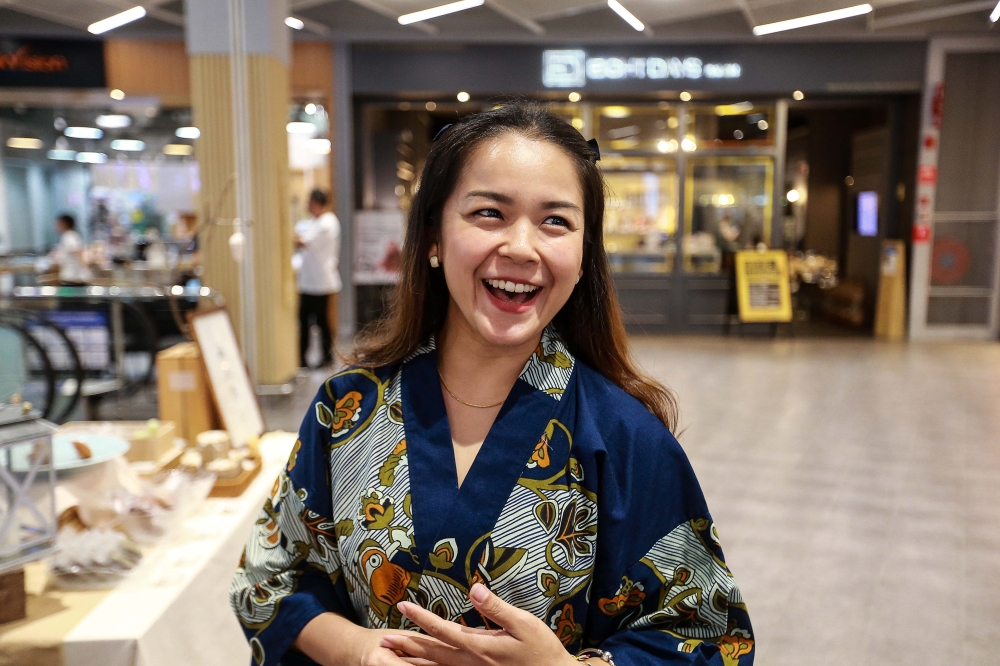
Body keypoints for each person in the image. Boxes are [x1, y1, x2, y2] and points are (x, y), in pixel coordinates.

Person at [231, 104, 754, 666]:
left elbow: (709, 638)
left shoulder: (624, 438)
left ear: (583, 259)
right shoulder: (350, 408)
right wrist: (361, 650)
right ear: (433, 237)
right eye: (488, 213)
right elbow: (270, 576)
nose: (522, 248)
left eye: (555, 221)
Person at [295, 189, 342, 369]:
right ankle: (304, 359)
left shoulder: (327, 223)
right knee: (305, 322)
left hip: (320, 282)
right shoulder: (316, 222)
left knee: (322, 323)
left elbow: (304, 242)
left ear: (317, 203)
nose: (307, 206)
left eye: (310, 202)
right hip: (309, 281)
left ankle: (327, 358)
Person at [49, 214, 91, 285]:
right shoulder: (69, 236)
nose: (56, 227)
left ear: (64, 224)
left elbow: (79, 254)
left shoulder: (69, 237)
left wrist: (86, 271)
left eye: (58, 224)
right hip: (71, 278)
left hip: (73, 279)